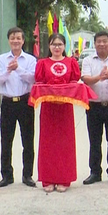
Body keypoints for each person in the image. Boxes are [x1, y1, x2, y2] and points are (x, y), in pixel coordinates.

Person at [35, 33, 81, 193]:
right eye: (54, 44)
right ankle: (47, 178)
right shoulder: (42, 63)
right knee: (48, 143)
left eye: (60, 44)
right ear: (49, 46)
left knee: (64, 143)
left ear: (64, 46)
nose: (57, 47)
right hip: (48, 109)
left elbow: (75, 82)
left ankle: (64, 178)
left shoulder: (71, 62)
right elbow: (39, 83)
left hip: (65, 109)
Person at [80, 31, 108, 186]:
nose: (101, 44)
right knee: (94, 141)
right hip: (93, 106)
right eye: (98, 41)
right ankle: (95, 172)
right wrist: (99, 77)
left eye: (104, 41)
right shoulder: (88, 60)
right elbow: (85, 79)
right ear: (94, 44)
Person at [0, 27, 37, 188]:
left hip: (25, 102)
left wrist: (17, 68)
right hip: (7, 103)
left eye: (18, 38)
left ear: (23, 40)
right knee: (6, 140)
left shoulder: (30, 59)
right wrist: (8, 70)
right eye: (12, 38)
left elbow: (32, 78)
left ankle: (27, 175)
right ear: (8, 40)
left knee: (28, 140)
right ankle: (7, 175)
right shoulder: (1, 59)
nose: (15, 41)